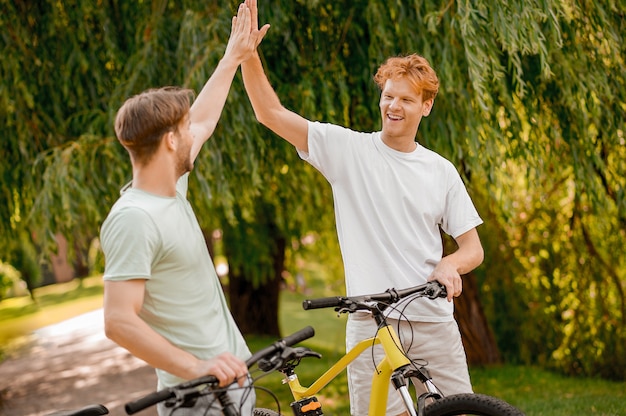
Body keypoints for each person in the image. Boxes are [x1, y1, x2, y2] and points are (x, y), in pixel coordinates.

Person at [240, 2, 484, 414]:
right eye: (388, 95)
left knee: (463, 412)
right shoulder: (348, 150)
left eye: (407, 99)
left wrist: (450, 265)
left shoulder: (439, 170)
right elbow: (270, 114)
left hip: (433, 320)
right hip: (371, 325)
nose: (394, 106)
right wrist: (248, 55)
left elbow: (472, 249)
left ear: (426, 106)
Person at [99, 3, 268, 415]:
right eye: (183, 129)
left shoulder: (172, 186)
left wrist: (233, 58)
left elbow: (206, 117)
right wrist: (196, 367)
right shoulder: (134, 219)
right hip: (199, 396)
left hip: (231, 380)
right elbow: (118, 320)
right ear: (171, 141)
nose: (194, 133)